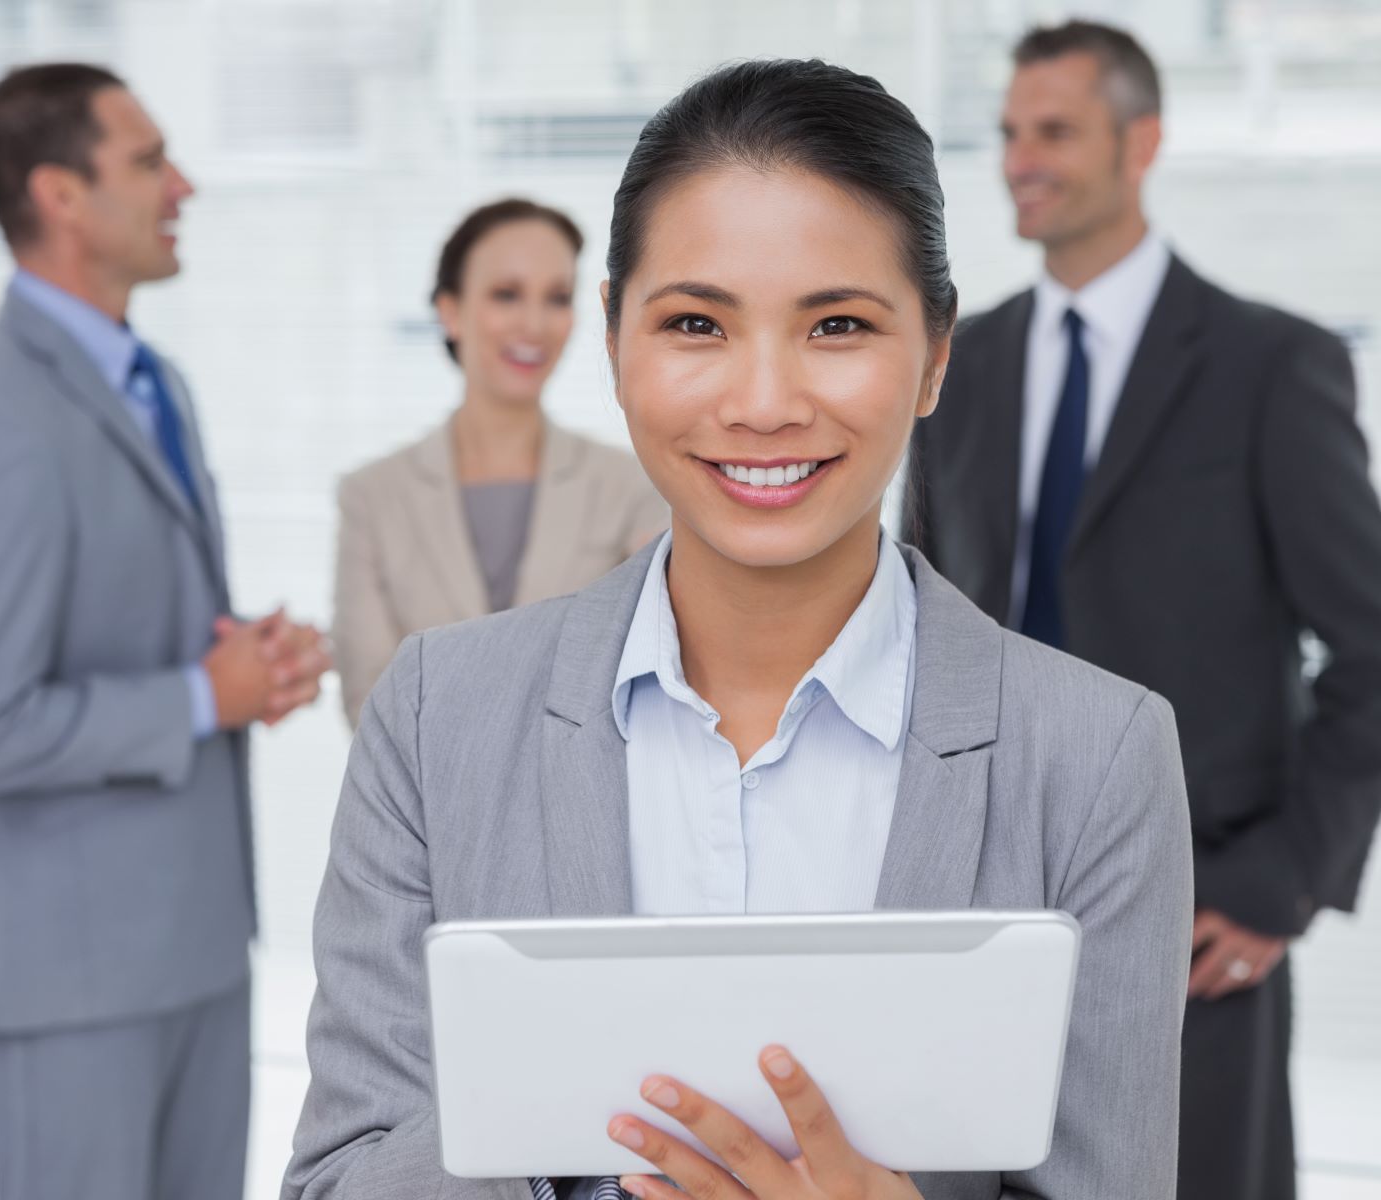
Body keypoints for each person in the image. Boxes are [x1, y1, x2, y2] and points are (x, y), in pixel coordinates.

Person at [286, 58, 1192, 1200]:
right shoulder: (436, 714)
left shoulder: (1098, 756)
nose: (763, 401)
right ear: (616, 339)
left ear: (936, 355)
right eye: (698, 323)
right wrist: (588, 1146)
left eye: (840, 324)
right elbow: (338, 1178)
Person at [902, 21, 1381, 1200]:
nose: (1021, 158)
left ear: (1143, 140)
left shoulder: (1270, 364)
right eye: (1010, 133)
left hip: (1194, 926)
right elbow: (916, 625)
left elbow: (1374, 647)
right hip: (975, 907)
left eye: (1054, 130)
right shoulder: (955, 366)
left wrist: (1279, 883)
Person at [0, 63, 328, 1200]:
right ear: (61, 195)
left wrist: (251, 664)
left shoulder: (157, 384)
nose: (182, 184)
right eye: (148, 162)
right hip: (74, 980)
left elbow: (141, 629)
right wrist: (201, 698)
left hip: (196, 947)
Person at [332, 198, 667, 727]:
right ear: (450, 310)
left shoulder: (631, 489)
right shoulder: (372, 497)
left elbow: (650, 685)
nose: (534, 324)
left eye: (556, 297)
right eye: (506, 295)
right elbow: (370, 706)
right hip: (428, 809)